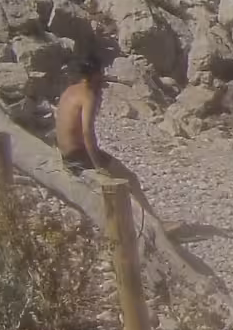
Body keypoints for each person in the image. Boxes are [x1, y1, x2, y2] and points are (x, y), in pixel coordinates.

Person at [54, 58, 158, 215]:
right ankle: (154, 223)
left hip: (65, 153)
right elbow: (87, 131)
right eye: (100, 73)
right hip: (78, 155)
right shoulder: (88, 95)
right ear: (95, 74)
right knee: (130, 178)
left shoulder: (70, 90)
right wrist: (98, 165)